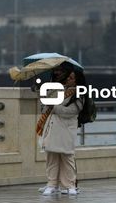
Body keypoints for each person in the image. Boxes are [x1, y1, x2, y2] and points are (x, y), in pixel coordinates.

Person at [37, 64, 83, 196]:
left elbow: (71, 111)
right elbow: (46, 107)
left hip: (66, 130)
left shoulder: (79, 93)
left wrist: (54, 105)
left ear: (77, 80)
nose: (69, 80)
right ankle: (52, 184)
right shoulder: (58, 90)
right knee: (51, 157)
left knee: (67, 157)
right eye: (68, 77)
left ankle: (70, 185)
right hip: (52, 128)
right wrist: (45, 99)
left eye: (72, 78)